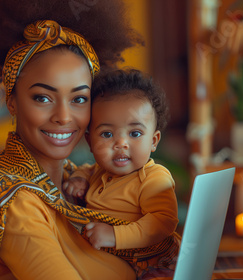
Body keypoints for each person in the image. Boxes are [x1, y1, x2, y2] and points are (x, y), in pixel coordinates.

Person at [0, 1, 143, 279]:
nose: (64, 117)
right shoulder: (14, 201)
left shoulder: (73, 185)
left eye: (79, 99)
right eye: (43, 98)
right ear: (12, 102)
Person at [63, 69, 180, 279]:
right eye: (107, 134)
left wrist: (115, 235)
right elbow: (87, 169)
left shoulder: (153, 178)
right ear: (90, 142)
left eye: (135, 133)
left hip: (153, 262)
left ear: (153, 141)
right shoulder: (98, 172)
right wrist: (78, 178)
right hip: (109, 259)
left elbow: (162, 222)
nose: (121, 144)